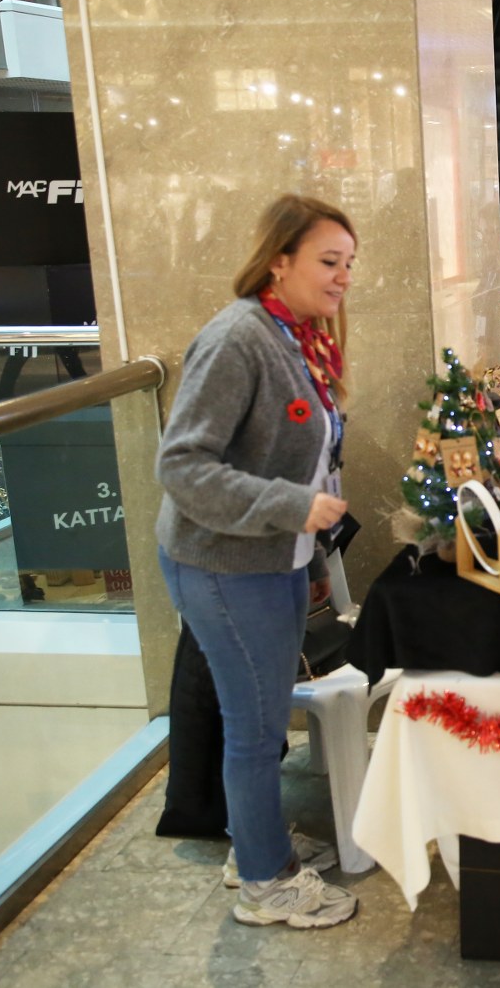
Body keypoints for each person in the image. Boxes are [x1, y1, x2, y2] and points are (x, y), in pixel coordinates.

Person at [155, 194, 361, 930]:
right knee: (255, 725)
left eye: (348, 263)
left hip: (272, 556)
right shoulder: (239, 338)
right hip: (225, 563)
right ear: (279, 260)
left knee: (264, 716)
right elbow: (181, 464)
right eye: (327, 262)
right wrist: (287, 507)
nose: (341, 278)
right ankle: (266, 881)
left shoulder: (299, 335)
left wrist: (305, 539)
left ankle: (256, 840)